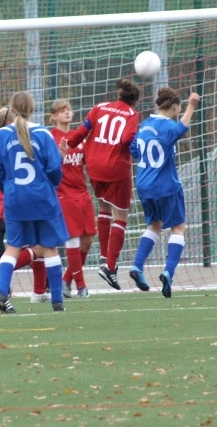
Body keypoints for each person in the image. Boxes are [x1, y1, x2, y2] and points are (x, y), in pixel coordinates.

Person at [0, 91, 69, 312]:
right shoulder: (43, 134)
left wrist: (9, 188)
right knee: (49, 248)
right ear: (33, 109)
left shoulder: (3, 135)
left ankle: (2, 290)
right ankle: (57, 300)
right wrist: (51, 180)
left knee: (13, 247)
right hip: (42, 198)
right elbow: (54, 169)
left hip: (15, 198)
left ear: (12, 109)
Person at [0, 114, 50, 310]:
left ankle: (39, 291)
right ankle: (5, 296)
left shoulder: (6, 158)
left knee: (37, 247)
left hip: (9, 213)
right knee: (2, 257)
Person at [66, 78, 140, 290]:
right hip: (115, 167)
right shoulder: (132, 114)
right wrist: (135, 149)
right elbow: (127, 138)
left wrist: (69, 144)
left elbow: (82, 131)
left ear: (119, 95)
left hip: (94, 166)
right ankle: (110, 266)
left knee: (104, 207)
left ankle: (104, 257)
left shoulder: (99, 107)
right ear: (134, 101)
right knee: (121, 215)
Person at [128, 88, 200, 298]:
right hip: (165, 185)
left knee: (154, 225)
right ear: (175, 107)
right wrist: (191, 105)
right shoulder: (168, 126)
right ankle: (168, 272)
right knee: (178, 228)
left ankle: (137, 265)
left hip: (143, 184)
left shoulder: (145, 125)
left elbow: (134, 150)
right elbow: (180, 129)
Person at [49, 99, 96, 298]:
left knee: (87, 240)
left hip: (82, 193)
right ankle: (81, 286)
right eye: (61, 111)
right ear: (53, 116)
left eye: (68, 109)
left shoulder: (79, 137)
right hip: (63, 194)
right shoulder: (50, 138)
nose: (67, 113)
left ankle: (66, 280)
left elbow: (87, 163)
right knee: (73, 239)